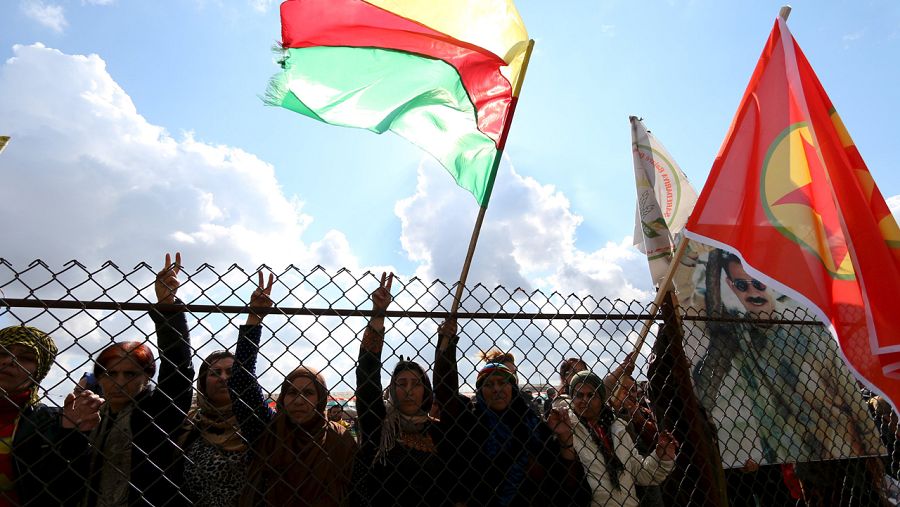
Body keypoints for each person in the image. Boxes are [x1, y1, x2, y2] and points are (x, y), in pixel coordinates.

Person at [693, 251, 881, 465]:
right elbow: (709, 317)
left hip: (842, 450)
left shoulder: (807, 327)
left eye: (758, 284)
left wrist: (873, 448)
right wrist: (714, 255)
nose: (753, 293)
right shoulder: (739, 335)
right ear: (732, 286)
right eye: (742, 286)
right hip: (792, 460)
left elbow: (849, 394)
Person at [229, 271, 357, 506]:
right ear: (282, 398)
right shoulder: (267, 430)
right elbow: (241, 382)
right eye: (292, 393)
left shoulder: (340, 439)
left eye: (308, 393)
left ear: (320, 399)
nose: (299, 401)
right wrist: (254, 319)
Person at [434, 318, 591, 506]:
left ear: (513, 388)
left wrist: (564, 439)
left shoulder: (532, 423)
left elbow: (562, 477)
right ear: (480, 392)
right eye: (489, 384)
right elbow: (445, 393)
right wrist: (447, 345)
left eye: (502, 383)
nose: (497, 389)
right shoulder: (471, 422)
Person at [80, 252, 195, 507]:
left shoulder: (158, 410)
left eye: (130, 374)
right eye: (110, 373)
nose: (119, 382)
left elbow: (179, 369)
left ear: (147, 376)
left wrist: (167, 305)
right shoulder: (91, 417)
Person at [354, 272, 453, 506]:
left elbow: (448, 388)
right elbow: (367, 378)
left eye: (416, 384)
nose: (409, 390)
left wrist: (447, 343)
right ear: (391, 390)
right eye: (401, 383)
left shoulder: (438, 431)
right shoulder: (379, 425)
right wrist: (378, 316)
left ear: (426, 391)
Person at [0, 325, 103, 506]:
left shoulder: (50, 422)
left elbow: (63, 491)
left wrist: (72, 436)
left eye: (26, 358)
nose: (9, 360)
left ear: (38, 371)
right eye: (2, 353)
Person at [558, 370, 676, 507]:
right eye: (579, 395)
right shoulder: (568, 429)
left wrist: (662, 457)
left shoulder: (616, 428)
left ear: (601, 399)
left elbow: (641, 472)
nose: (585, 400)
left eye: (591, 395)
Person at [178, 349, 247, 507]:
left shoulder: (256, 423)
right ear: (203, 383)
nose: (223, 378)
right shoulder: (190, 425)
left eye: (230, 372)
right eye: (215, 373)